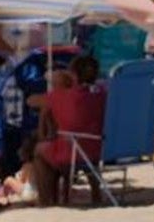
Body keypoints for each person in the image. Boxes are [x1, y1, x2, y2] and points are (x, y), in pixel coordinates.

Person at [32, 56, 106, 206]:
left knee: (40, 150)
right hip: (101, 150)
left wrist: (58, 81)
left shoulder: (61, 96)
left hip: (72, 151)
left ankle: (46, 201)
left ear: (73, 75)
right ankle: (96, 193)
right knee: (55, 146)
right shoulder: (103, 94)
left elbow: (31, 100)